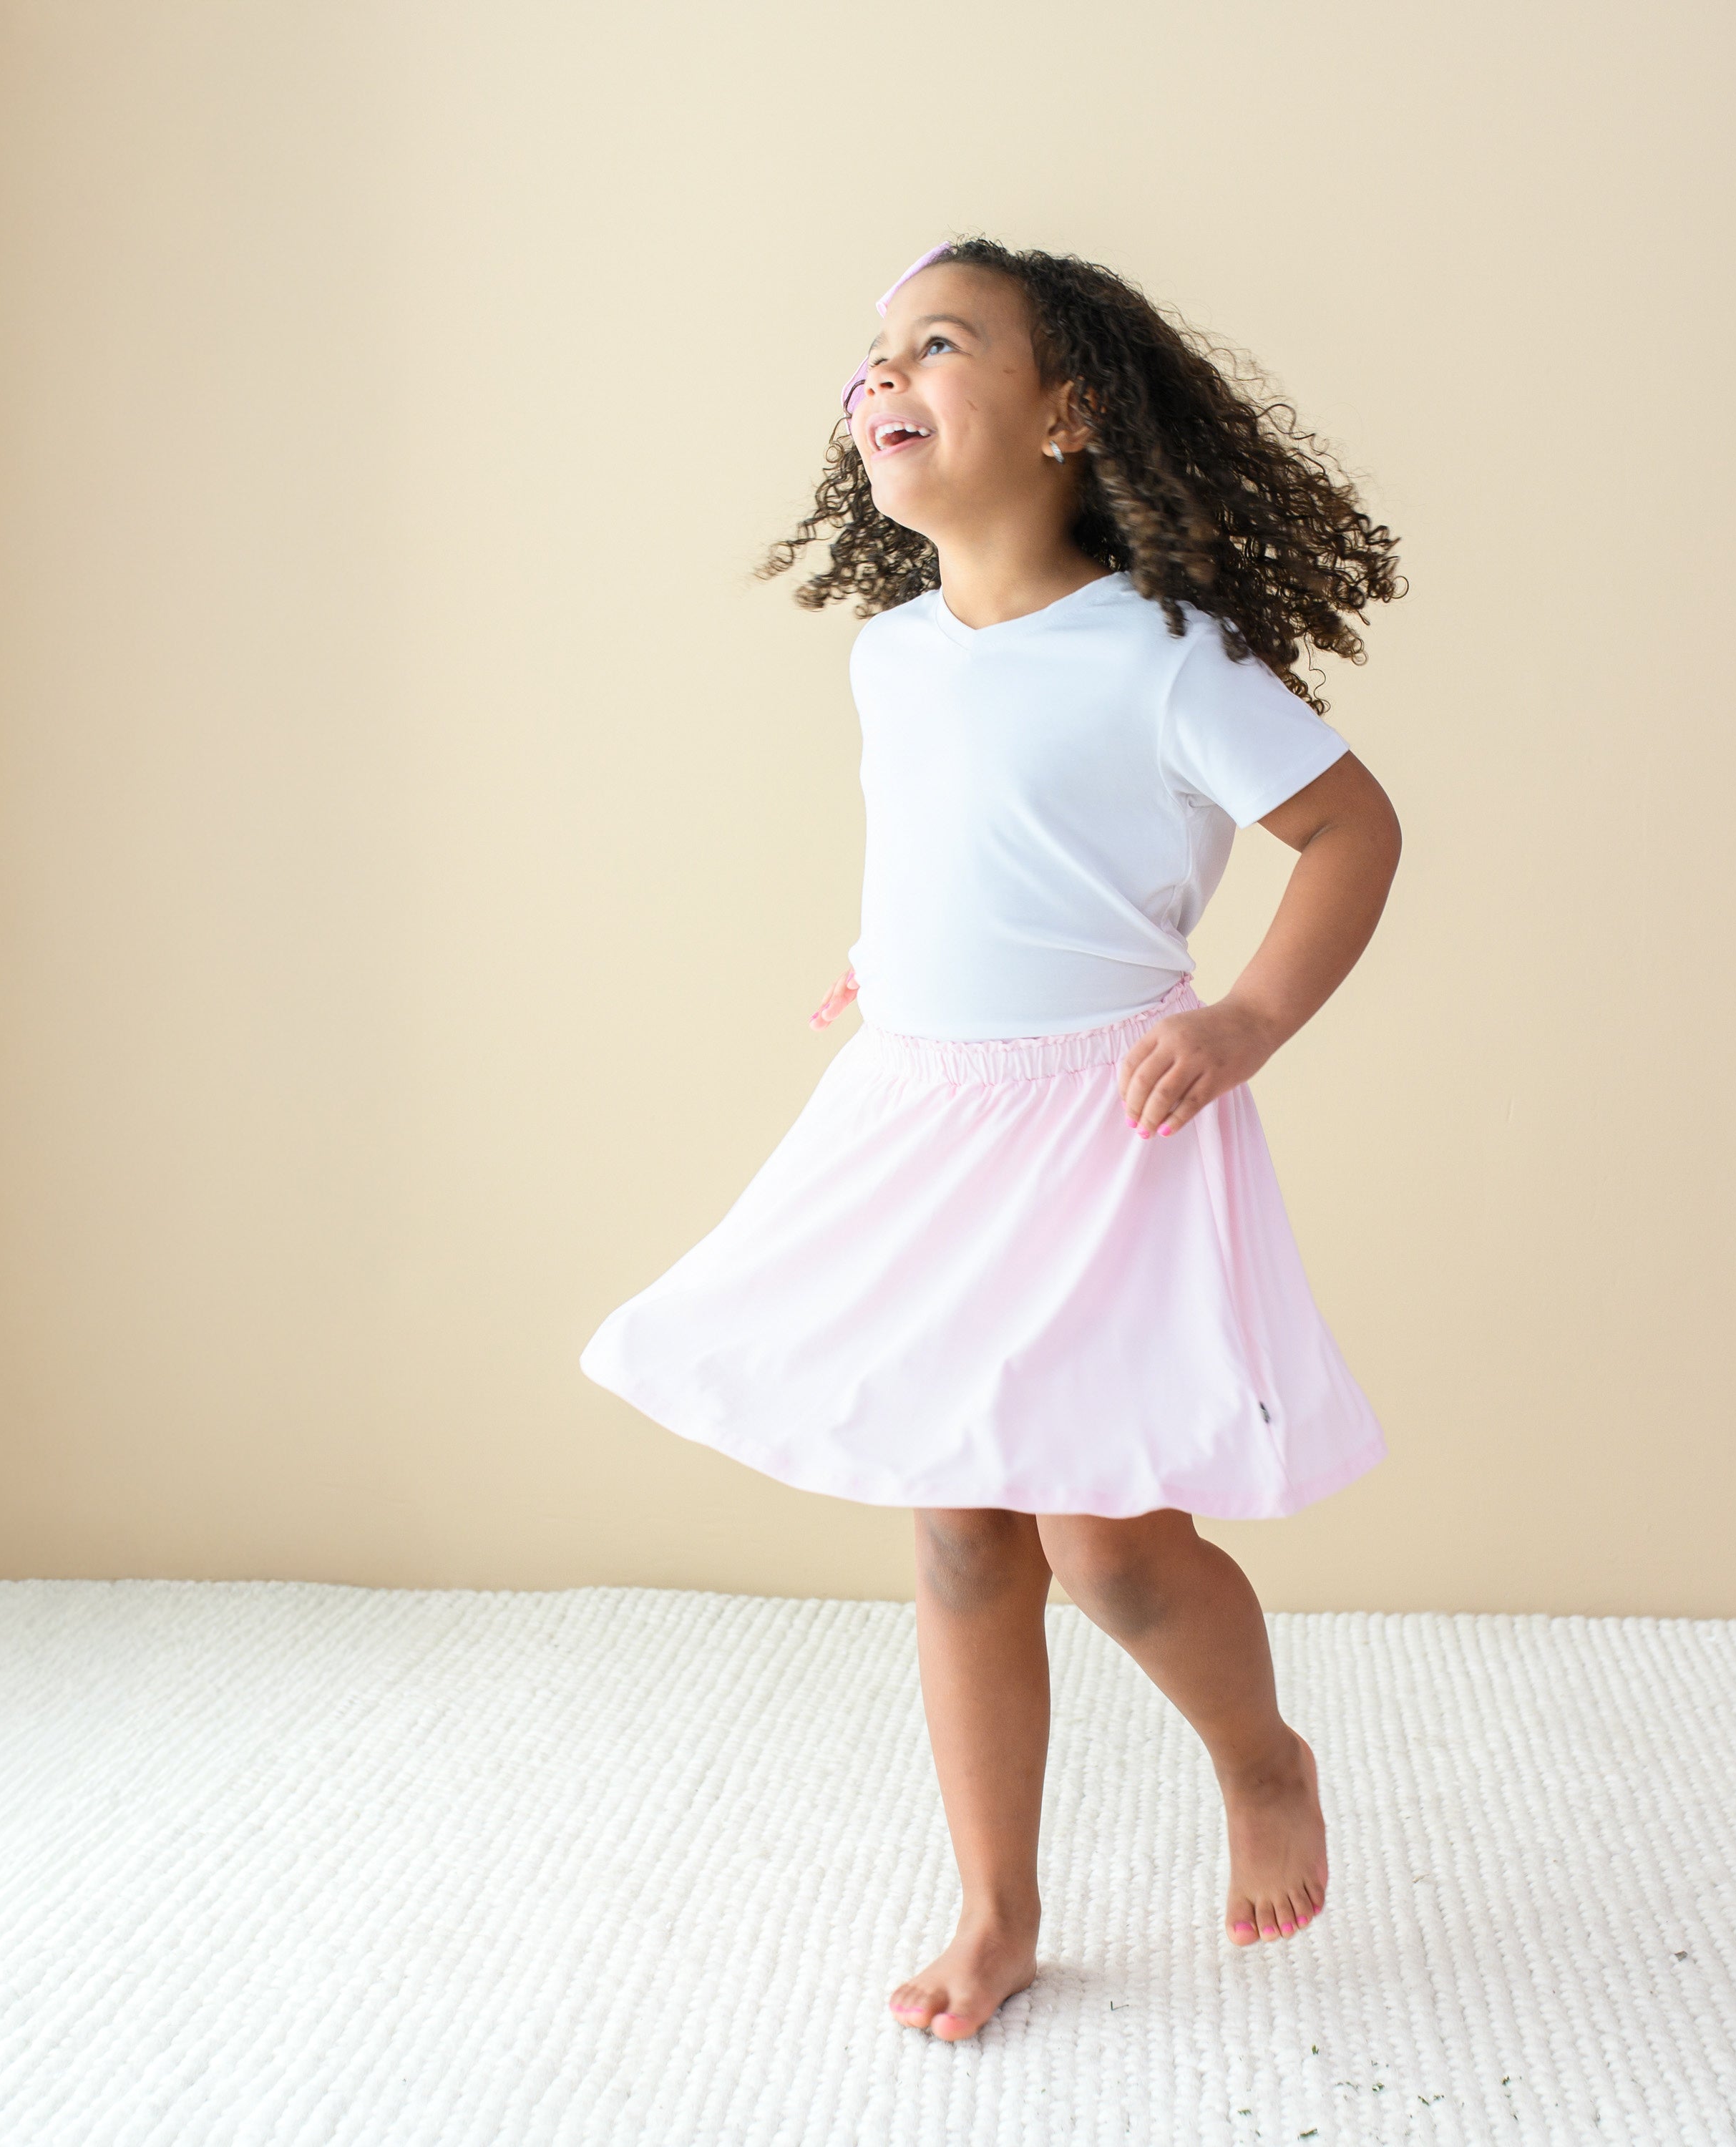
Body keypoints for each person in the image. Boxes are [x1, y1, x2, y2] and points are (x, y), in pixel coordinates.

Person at [580, 235, 1407, 2042]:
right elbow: (977, 846)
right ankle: (997, 1904)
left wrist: (1246, 1016)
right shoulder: (891, 657)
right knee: (963, 1539)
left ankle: (1260, 1756)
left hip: (1108, 1119)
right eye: (870, 356)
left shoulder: (1165, 655)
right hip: (926, 1110)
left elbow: (1352, 831)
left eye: (935, 346)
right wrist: (887, 965)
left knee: (1109, 1546)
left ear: (1066, 413)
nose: (882, 380)